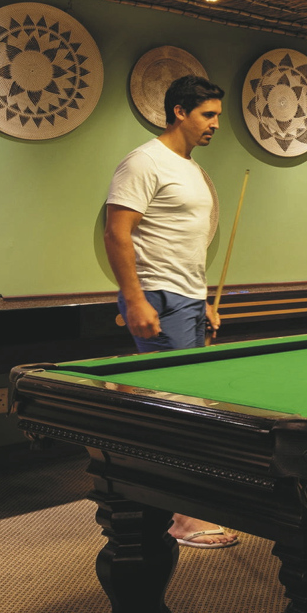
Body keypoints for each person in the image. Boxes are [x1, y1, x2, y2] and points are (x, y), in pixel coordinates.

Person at [104, 73, 237, 549]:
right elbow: (117, 232)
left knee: (193, 402)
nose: (215, 124)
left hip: (187, 299)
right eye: (208, 114)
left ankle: (184, 505)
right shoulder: (144, 161)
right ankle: (182, 517)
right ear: (179, 112)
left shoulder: (192, 170)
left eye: (217, 115)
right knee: (178, 408)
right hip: (157, 296)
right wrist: (135, 298)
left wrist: (202, 302)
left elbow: (185, 243)